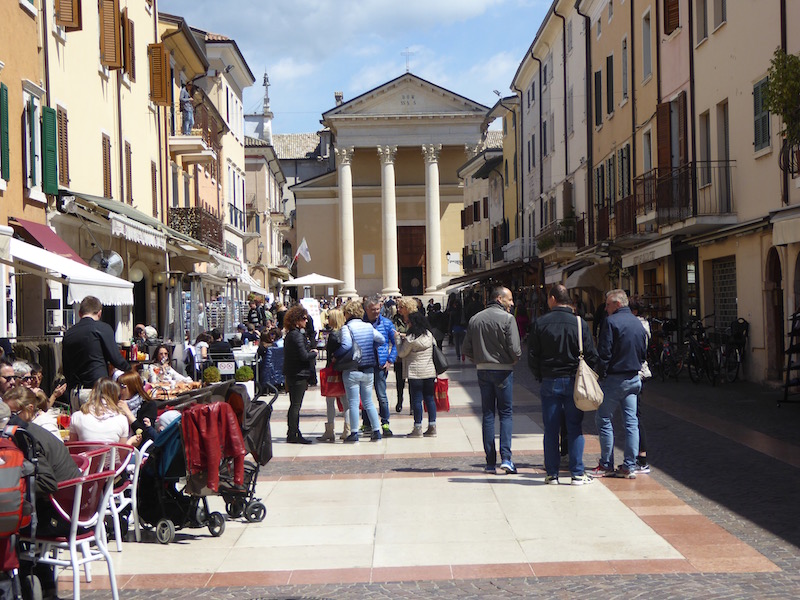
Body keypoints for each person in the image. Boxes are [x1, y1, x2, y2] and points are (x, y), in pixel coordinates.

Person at [4, 388, 82, 600]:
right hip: (72, 508)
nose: (6, 421)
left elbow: (47, 483)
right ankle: (45, 588)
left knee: (9, 523)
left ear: (27, 411)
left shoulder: (25, 437)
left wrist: (16, 485)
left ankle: (24, 589)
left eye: (11, 415)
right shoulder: (26, 431)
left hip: (63, 515)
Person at [528, 284, 599, 485]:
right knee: (574, 427)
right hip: (574, 381)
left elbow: (532, 355)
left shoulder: (541, 323)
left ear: (552, 299)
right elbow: (592, 354)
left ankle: (552, 473)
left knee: (551, 429)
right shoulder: (579, 323)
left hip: (550, 381)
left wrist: (540, 374)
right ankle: (577, 473)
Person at [463, 286, 522, 475]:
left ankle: (490, 462)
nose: (512, 304)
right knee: (505, 413)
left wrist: (478, 359)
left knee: (488, 415)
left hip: (483, 370)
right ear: (499, 298)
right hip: (503, 370)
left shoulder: (475, 319)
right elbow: (515, 347)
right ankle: (506, 458)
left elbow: (467, 347)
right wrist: (514, 358)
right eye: (510, 299)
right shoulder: (507, 319)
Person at [589, 289, 648, 479]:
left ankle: (606, 463)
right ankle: (629, 465)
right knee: (631, 422)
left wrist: (599, 374)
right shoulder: (637, 323)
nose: (605, 308)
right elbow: (643, 351)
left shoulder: (611, 322)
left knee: (603, 418)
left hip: (616, 378)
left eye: (607, 304)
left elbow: (604, 352)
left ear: (617, 304)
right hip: (634, 377)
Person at [62, 295, 131, 409]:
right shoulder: (103, 328)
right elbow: (116, 358)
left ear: (80, 313)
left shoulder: (69, 333)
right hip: (97, 390)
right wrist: (131, 370)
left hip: (76, 392)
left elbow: (66, 367)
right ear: (99, 313)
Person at [335, 299, 385, 442]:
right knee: (368, 401)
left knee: (353, 402)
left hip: (352, 368)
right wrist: (370, 346)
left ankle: (354, 433)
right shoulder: (368, 327)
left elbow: (345, 345)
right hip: (369, 368)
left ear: (349, 313)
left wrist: (336, 355)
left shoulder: (347, 328)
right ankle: (377, 430)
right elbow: (381, 339)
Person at [396, 311, 437, 437]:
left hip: (415, 373)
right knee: (430, 399)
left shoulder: (410, 339)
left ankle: (417, 427)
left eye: (408, 322)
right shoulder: (429, 335)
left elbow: (402, 353)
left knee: (417, 400)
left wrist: (398, 340)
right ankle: (432, 426)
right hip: (429, 371)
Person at [68, 378, 141, 446]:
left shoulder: (77, 416)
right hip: (112, 460)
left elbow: (73, 448)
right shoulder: (122, 419)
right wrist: (130, 442)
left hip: (86, 459)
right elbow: (123, 455)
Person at [282, 306, 317, 444]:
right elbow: (303, 355)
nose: (306, 321)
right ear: (296, 320)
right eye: (304, 318)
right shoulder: (296, 335)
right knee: (296, 405)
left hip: (293, 373)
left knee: (294, 405)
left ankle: (293, 432)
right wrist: (314, 353)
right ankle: (293, 433)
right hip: (298, 374)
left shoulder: (291, 334)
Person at [364, 295, 397, 437]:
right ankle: (367, 423)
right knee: (365, 396)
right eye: (373, 309)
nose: (376, 312)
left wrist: (390, 360)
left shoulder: (387, 323)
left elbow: (396, 343)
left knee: (382, 395)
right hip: (365, 364)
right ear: (366, 309)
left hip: (380, 364)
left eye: (378, 309)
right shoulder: (361, 323)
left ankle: (385, 422)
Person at [317, 308, 349, 442]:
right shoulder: (345, 332)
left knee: (330, 401)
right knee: (344, 401)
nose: (327, 319)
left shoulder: (334, 335)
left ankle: (330, 430)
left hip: (333, 369)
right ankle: (347, 429)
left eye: (329, 317)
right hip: (343, 369)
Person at [392, 296, 417, 413]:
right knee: (399, 381)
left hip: (412, 354)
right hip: (400, 355)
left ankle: (413, 405)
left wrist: (401, 335)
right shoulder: (396, 319)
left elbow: (416, 335)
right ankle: (399, 400)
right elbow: (393, 332)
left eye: (401, 307)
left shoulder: (415, 320)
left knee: (412, 382)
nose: (398, 309)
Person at [118, 370, 158, 443]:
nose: (119, 390)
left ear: (131, 387)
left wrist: (127, 412)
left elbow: (145, 433)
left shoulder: (148, 405)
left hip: (137, 447)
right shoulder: (116, 402)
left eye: (122, 386)